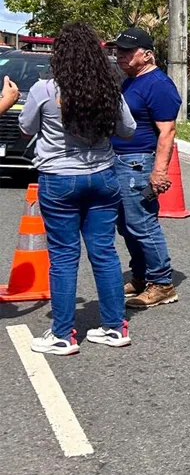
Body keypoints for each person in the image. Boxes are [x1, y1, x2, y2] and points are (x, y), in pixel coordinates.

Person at [18, 23, 137, 355]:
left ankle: (63, 334)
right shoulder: (108, 89)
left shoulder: (44, 89)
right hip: (102, 176)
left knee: (64, 257)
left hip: (58, 179)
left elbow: (26, 128)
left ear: (60, 55)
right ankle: (115, 327)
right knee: (104, 252)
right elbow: (128, 130)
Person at [111, 27, 181, 309]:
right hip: (119, 161)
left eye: (128, 52)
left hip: (138, 163)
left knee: (142, 223)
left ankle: (162, 283)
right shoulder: (130, 81)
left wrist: (159, 172)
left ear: (148, 55)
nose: (121, 56)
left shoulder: (158, 84)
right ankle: (141, 276)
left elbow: (168, 131)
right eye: (119, 51)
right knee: (126, 225)